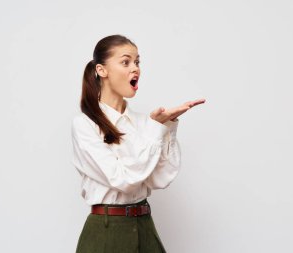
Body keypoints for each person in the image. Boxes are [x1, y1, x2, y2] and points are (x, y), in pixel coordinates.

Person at [71, 34, 206, 253]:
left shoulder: (145, 123)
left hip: (144, 225)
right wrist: (155, 130)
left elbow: (160, 179)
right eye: (126, 62)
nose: (135, 68)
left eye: (137, 62)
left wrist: (167, 127)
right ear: (101, 70)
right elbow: (123, 180)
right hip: (106, 232)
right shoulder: (84, 125)